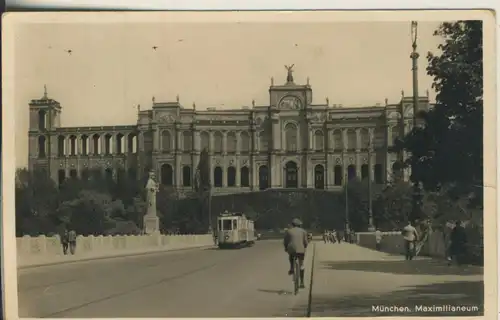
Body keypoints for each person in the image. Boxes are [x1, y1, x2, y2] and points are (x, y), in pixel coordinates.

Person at [283, 218, 309, 289]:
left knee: (291, 256)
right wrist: (305, 246)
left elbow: (285, 242)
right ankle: (302, 282)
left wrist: (286, 248)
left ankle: (291, 268)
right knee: (301, 265)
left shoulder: (288, 231)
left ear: (292, 224)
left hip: (291, 250)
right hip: (301, 251)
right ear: (299, 225)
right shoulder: (303, 231)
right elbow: (306, 242)